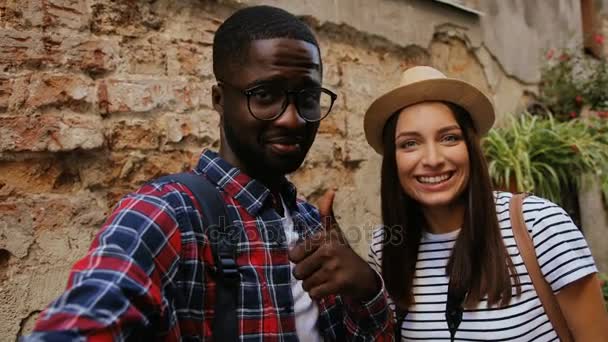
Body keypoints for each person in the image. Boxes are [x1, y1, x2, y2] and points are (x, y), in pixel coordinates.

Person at [25, 6, 392, 341]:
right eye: (265, 95)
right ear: (219, 99)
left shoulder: (312, 223)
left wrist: (367, 289)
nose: (292, 118)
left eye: (308, 98)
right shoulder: (168, 213)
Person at [363, 65, 608, 341]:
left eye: (449, 138)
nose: (432, 159)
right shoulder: (385, 247)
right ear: (393, 161)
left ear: (471, 147)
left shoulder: (539, 225)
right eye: (410, 143)